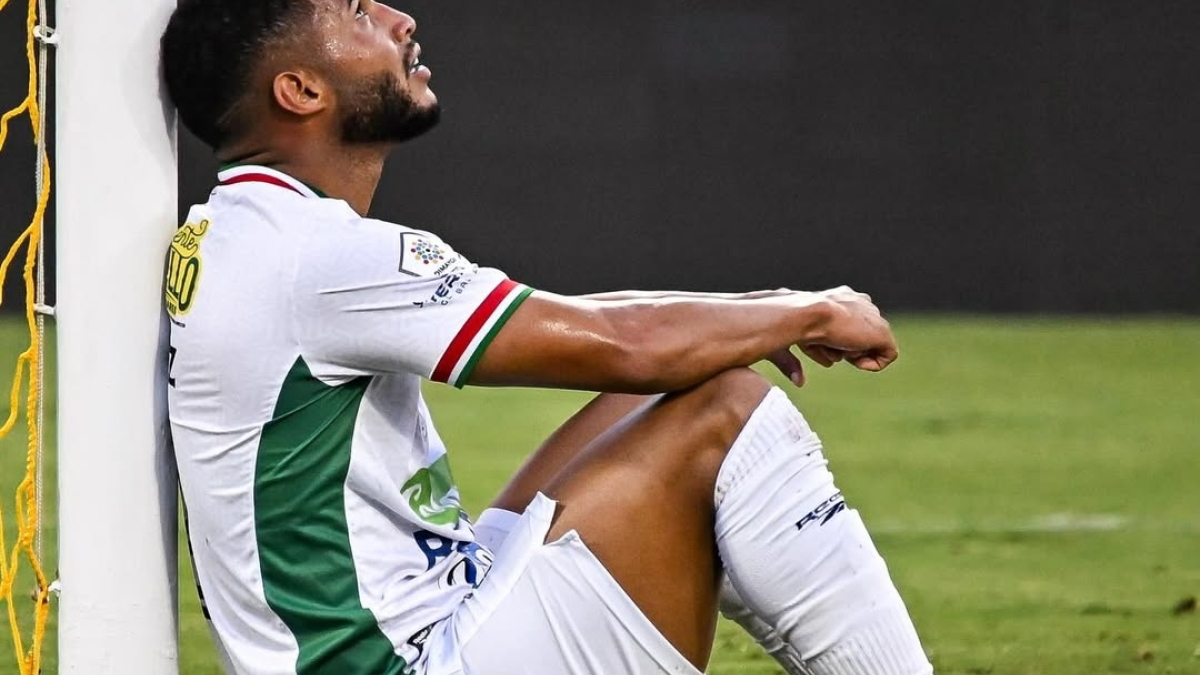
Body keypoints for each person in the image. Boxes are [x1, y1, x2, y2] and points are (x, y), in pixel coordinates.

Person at [161, 2, 934, 674]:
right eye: (359, 12)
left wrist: (760, 309)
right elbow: (620, 339)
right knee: (726, 412)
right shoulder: (317, 255)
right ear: (300, 91)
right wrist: (810, 311)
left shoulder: (242, 230)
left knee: (668, 386)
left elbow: (584, 323)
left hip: (425, 612)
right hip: (406, 660)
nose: (401, 20)